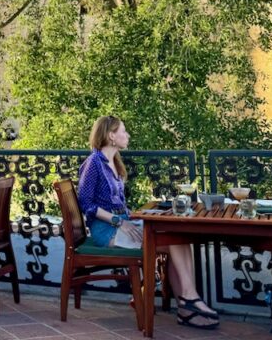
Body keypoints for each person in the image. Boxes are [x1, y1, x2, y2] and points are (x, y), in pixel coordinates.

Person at [77, 116, 219, 330]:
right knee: (174, 240)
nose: (128, 135)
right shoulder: (93, 163)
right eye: (123, 131)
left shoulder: (113, 162)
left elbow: (118, 204)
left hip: (121, 223)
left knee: (179, 238)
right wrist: (118, 221)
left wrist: (135, 218)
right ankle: (190, 302)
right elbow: (85, 203)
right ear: (111, 136)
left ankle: (186, 304)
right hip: (106, 231)